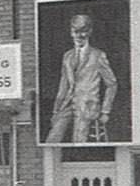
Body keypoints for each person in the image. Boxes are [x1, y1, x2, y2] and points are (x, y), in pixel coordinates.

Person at [45, 12, 118, 144]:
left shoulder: (98, 55)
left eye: (83, 31)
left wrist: (105, 111)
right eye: (75, 31)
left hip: (87, 106)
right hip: (67, 105)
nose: (79, 35)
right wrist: (56, 109)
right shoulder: (67, 56)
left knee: (79, 140)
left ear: (89, 31)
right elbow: (64, 84)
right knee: (52, 140)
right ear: (71, 32)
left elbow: (112, 84)